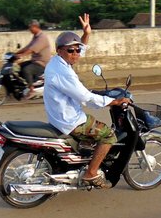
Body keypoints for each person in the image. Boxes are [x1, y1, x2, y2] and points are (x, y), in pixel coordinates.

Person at [43, 13, 131, 189]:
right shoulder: (64, 72)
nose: (76, 53)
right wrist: (113, 102)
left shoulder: (57, 62)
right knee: (108, 134)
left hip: (59, 116)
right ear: (60, 50)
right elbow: (85, 97)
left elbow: (79, 50)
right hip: (70, 120)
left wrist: (86, 34)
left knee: (92, 125)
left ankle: (85, 149)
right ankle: (91, 174)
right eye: (71, 50)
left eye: (77, 49)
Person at [15, 19, 52, 98]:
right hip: (35, 61)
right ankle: (26, 86)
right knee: (19, 66)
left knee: (27, 70)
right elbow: (28, 47)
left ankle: (32, 90)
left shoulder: (42, 37)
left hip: (42, 63)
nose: (29, 29)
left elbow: (32, 49)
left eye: (30, 27)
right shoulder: (35, 37)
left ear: (35, 27)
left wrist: (22, 55)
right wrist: (16, 53)